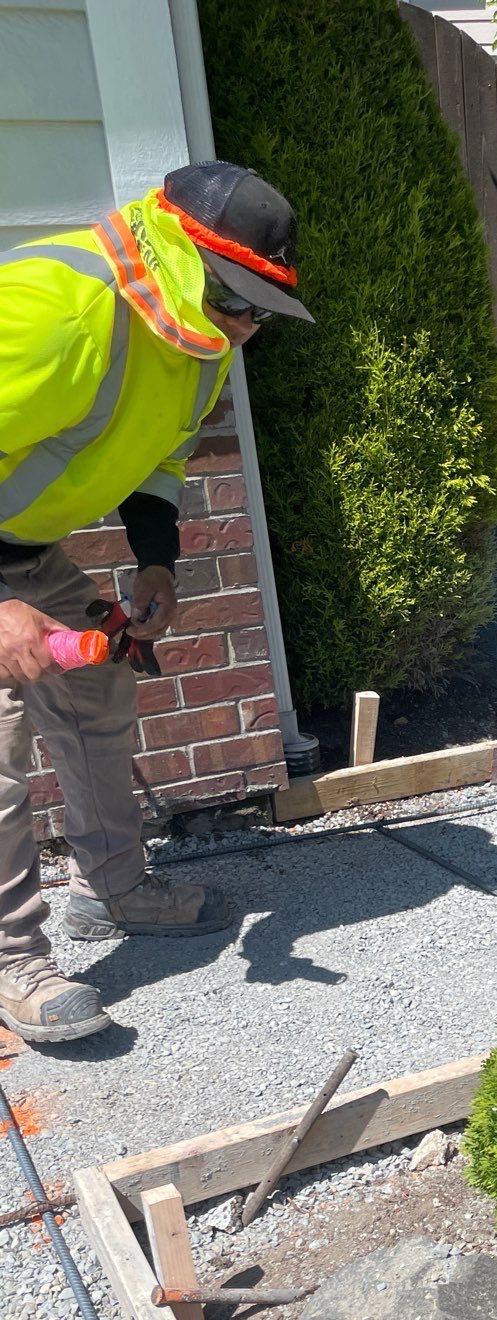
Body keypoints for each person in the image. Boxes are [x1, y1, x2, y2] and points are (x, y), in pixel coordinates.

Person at [0, 162, 313, 1044]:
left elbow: (161, 454)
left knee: (96, 695)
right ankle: (12, 958)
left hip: (24, 549)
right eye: (238, 301)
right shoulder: (55, 310)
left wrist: (154, 561)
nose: (249, 326)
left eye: (261, 306)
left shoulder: (198, 340)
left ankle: (117, 892)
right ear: (185, 257)